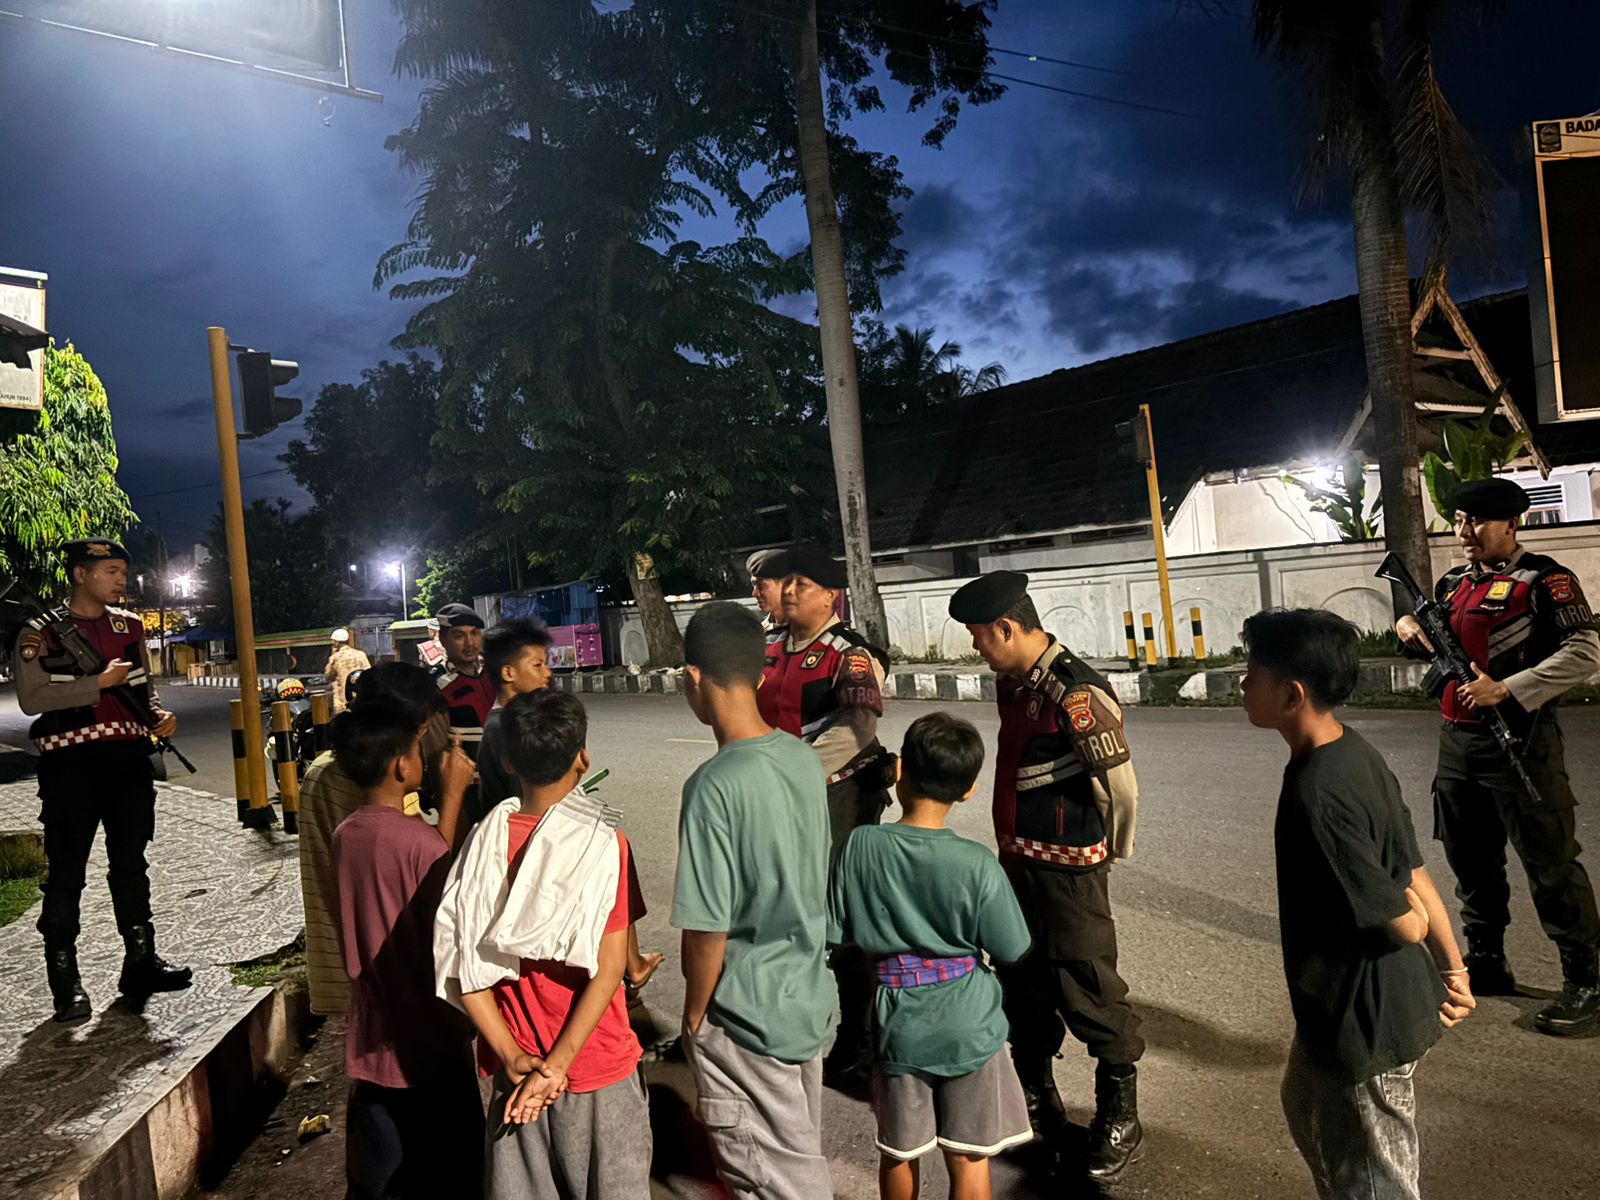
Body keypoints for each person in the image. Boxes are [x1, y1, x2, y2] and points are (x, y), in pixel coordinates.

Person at [1241, 608, 1476, 1200]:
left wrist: (1418, 925)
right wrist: (1454, 970)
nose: (1242, 684)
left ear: (1292, 694)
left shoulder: (1320, 793)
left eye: (1252, 674)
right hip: (1336, 1007)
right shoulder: (1353, 751)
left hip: (1364, 1022)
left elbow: (1403, 919)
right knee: (1304, 1106)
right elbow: (1413, 868)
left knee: (1374, 1179)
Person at [947, 570, 1144, 1180]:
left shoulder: (1075, 692)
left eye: (980, 636)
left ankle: (1120, 1114)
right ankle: (1037, 1098)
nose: (977, 647)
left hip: (1067, 872)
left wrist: (1110, 850)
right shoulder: (1015, 682)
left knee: (1088, 985)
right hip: (1019, 864)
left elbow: (1118, 787)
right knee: (1022, 981)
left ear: (1007, 628)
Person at [1394, 477, 1600, 1035]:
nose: (1465, 532)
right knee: (1471, 861)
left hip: (1521, 743)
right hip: (1458, 745)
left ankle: (1586, 982)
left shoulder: (1545, 580)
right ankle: (1488, 959)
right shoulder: (1454, 583)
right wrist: (1406, 625)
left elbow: (1585, 652)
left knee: (1551, 865)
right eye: (1460, 520)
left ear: (1512, 523)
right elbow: (1432, 640)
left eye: (1477, 521)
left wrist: (1508, 688)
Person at [434, 690, 651, 1200]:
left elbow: (465, 964)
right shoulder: (603, 844)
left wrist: (512, 1057)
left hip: (517, 1072)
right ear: (583, 758)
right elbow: (609, 969)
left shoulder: (482, 842)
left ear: (508, 761)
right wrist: (556, 1068)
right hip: (595, 1063)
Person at [830, 712, 1034, 1200]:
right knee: (968, 1157)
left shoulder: (861, 845)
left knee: (900, 1153)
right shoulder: (976, 863)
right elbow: (1012, 947)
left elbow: (837, 930)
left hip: (899, 1024)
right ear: (968, 790)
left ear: (899, 771)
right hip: (970, 1026)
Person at [674, 601, 834, 1199]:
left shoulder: (712, 785)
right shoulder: (801, 757)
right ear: (761, 676)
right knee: (797, 1156)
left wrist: (694, 1018)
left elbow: (707, 927)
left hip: (746, 1015)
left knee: (776, 1184)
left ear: (692, 678)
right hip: (805, 999)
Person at [12, 538, 190, 1023]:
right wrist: (97, 684)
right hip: (70, 765)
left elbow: (142, 689)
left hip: (128, 759)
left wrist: (159, 715)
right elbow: (32, 698)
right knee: (67, 872)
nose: (120, 580)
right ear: (80, 574)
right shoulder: (39, 632)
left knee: (131, 864)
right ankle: (65, 982)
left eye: (122, 572)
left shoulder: (128, 626)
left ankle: (141, 962)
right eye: (110, 571)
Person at [329, 699, 483, 1199]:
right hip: (430, 1037)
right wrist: (453, 796)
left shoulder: (345, 835)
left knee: (383, 1177)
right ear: (401, 767)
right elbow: (443, 913)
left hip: (374, 1032)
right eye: (418, 752)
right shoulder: (420, 843)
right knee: (454, 1173)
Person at [755, 544, 893, 1086]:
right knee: (783, 908)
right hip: (776, 796)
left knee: (841, 917)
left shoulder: (850, 654)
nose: (789, 591)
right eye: (785, 582)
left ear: (831, 595)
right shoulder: (768, 646)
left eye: (803, 584)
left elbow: (856, 730)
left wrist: (791, 775)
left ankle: (859, 1035)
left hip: (837, 798)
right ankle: (789, 1022)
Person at [479, 620, 663, 1001]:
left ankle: (630, 961)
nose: (547, 673)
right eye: (538, 665)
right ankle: (622, 964)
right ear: (508, 673)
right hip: (540, 836)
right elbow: (526, 794)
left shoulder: (518, 719)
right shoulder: (505, 729)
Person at [298, 662, 475, 1018]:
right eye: (422, 733)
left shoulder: (330, 768)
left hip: (346, 965)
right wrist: (452, 793)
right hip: (383, 980)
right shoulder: (372, 786)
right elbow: (427, 872)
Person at [430, 603, 497, 824]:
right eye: (459, 636)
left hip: (507, 784)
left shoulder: (497, 674)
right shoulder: (439, 687)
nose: (470, 643)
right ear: (443, 639)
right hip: (467, 794)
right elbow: (436, 752)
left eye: (475, 634)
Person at [326, 627, 372, 714]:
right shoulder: (361, 654)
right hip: (361, 698)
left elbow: (328, 677)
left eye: (333, 641)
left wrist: (332, 655)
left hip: (343, 701)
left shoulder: (335, 657)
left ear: (337, 642)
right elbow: (369, 674)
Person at [745, 548, 786, 630]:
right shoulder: (759, 630)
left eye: (761, 586)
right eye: (753, 585)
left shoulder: (807, 630)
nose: (755, 593)